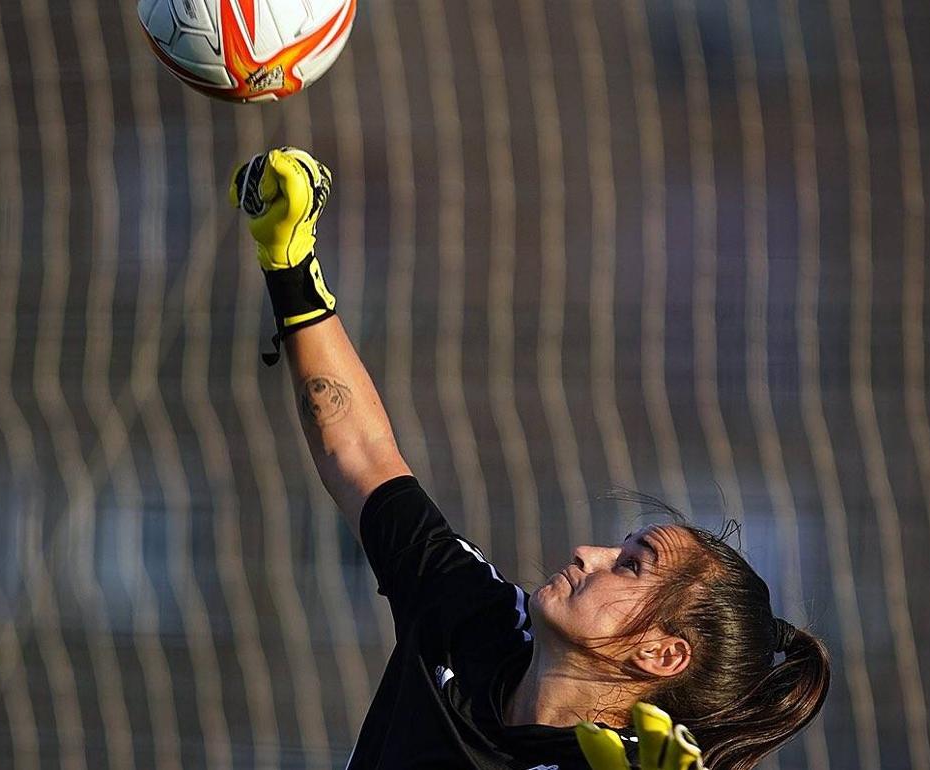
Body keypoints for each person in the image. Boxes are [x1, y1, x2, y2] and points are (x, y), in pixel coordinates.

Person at [229, 147, 830, 770]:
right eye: (620, 546)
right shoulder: (475, 619)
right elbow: (362, 455)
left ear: (662, 655)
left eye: (629, 565)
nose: (586, 553)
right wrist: (290, 265)